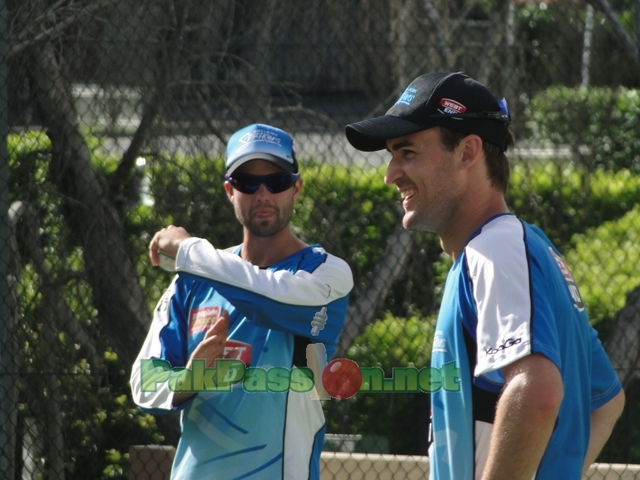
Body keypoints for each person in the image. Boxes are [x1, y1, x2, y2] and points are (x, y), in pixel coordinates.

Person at [344, 72, 625, 480]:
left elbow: (537, 392)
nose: (391, 173)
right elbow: (604, 400)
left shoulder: (495, 249)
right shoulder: (523, 247)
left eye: (407, 151)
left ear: (468, 151)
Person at [130, 123, 354, 479]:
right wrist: (188, 379)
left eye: (277, 181)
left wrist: (190, 251)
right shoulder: (192, 280)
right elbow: (144, 381)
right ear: (229, 191)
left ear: (297, 187)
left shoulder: (326, 274)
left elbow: (267, 297)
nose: (263, 194)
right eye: (248, 183)